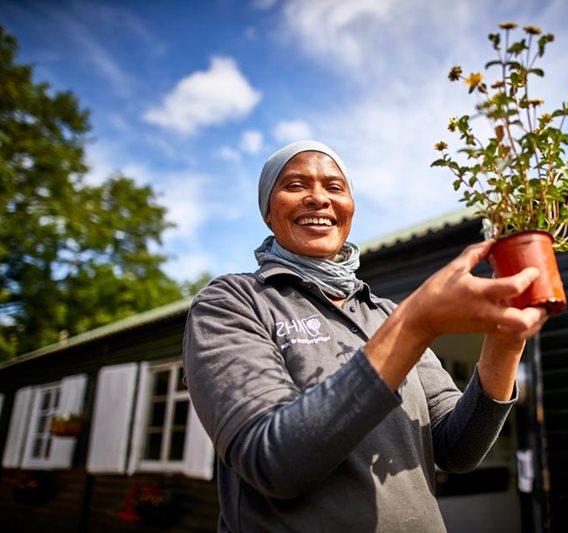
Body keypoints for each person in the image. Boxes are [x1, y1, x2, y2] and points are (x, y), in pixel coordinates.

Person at [182, 140, 547, 532]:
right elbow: (273, 462)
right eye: (295, 185)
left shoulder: (384, 313)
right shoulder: (233, 302)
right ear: (268, 213)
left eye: (335, 187)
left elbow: (457, 448)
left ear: (350, 209)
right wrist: (415, 325)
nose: (318, 198)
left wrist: (505, 343)